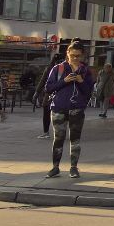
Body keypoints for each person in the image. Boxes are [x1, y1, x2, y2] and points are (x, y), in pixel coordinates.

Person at [45, 42, 95, 178]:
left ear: (82, 56)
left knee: (75, 140)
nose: (75, 58)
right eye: (72, 55)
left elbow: (89, 92)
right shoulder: (58, 68)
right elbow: (48, 88)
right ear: (67, 53)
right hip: (58, 108)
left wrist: (81, 81)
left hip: (76, 110)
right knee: (58, 139)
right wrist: (64, 81)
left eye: (78, 56)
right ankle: (55, 167)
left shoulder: (85, 71)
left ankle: (73, 167)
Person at [36, 53, 61, 138]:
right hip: (56, 94)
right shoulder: (64, 68)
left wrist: (37, 92)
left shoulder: (51, 68)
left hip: (51, 94)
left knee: (48, 113)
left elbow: (43, 81)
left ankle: (46, 132)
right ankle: (52, 132)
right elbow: (43, 81)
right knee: (53, 113)